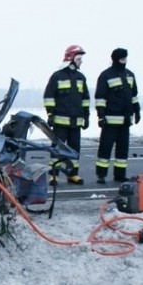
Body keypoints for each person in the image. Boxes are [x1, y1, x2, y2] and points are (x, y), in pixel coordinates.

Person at [43, 44, 91, 185]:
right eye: (79, 58)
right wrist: (50, 114)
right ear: (71, 58)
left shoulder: (81, 78)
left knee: (75, 150)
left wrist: (86, 116)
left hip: (76, 122)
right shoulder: (57, 76)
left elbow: (85, 99)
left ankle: (72, 174)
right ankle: (54, 175)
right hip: (60, 122)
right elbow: (49, 96)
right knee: (57, 150)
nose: (81, 61)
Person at [94, 48, 140, 184]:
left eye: (125, 59)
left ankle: (120, 175)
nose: (124, 61)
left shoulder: (130, 75)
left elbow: (134, 96)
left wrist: (137, 111)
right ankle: (101, 175)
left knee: (123, 150)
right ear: (115, 59)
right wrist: (101, 116)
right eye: (122, 59)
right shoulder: (106, 75)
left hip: (126, 121)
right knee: (105, 148)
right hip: (110, 120)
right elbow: (100, 98)